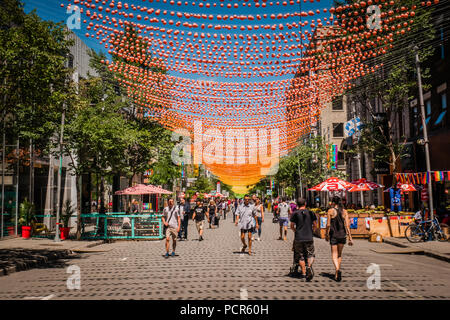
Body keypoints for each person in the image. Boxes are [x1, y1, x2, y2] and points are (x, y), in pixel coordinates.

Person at [326, 196, 353, 282]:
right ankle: (337, 274)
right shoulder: (344, 211)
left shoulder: (330, 211)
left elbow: (328, 225)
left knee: (334, 254)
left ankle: (337, 269)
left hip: (334, 235)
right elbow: (347, 225)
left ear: (333, 202)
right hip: (342, 235)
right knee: (339, 254)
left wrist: (326, 234)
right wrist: (350, 237)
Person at [290, 198, 317, 281]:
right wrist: (312, 231)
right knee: (310, 254)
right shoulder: (311, 213)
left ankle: (304, 273)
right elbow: (315, 224)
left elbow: (292, 226)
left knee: (300, 256)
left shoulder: (295, 213)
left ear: (297, 205)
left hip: (299, 237)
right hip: (309, 237)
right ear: (305, 203)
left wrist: (296, 231)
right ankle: (309, 267)